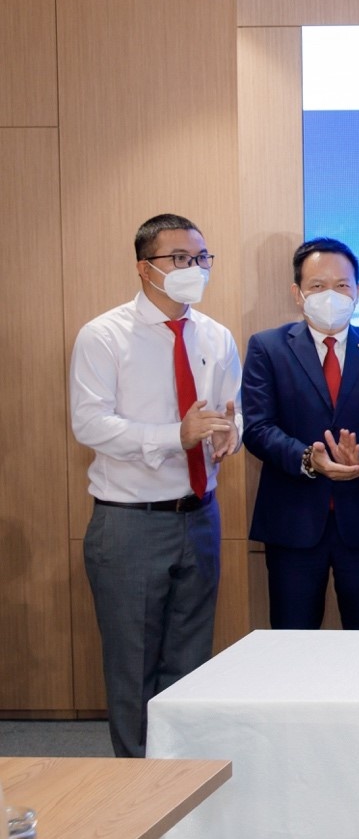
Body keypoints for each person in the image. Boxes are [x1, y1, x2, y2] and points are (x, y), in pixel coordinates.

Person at [69, 213, 241, 757]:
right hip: (130, 522)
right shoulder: (104, 335)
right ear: (145, 268)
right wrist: (176, 435)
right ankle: (136, 785)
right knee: (133, 664)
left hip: (200, 515)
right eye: (180, 259)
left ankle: (180, 777)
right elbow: (89, 424)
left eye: (202, 258)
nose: (195, 268)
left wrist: (229, 435)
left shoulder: (216, 335)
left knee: (189, 661)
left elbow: (232, 413)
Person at [243, 238, 359, 629]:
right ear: (297, 293)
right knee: (293, 643)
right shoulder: (268, 347)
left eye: (342, 285)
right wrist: (306, 459)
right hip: (292, 523)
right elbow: (258, 427)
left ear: (358, 291)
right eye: (317, 285)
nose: (331, 294)